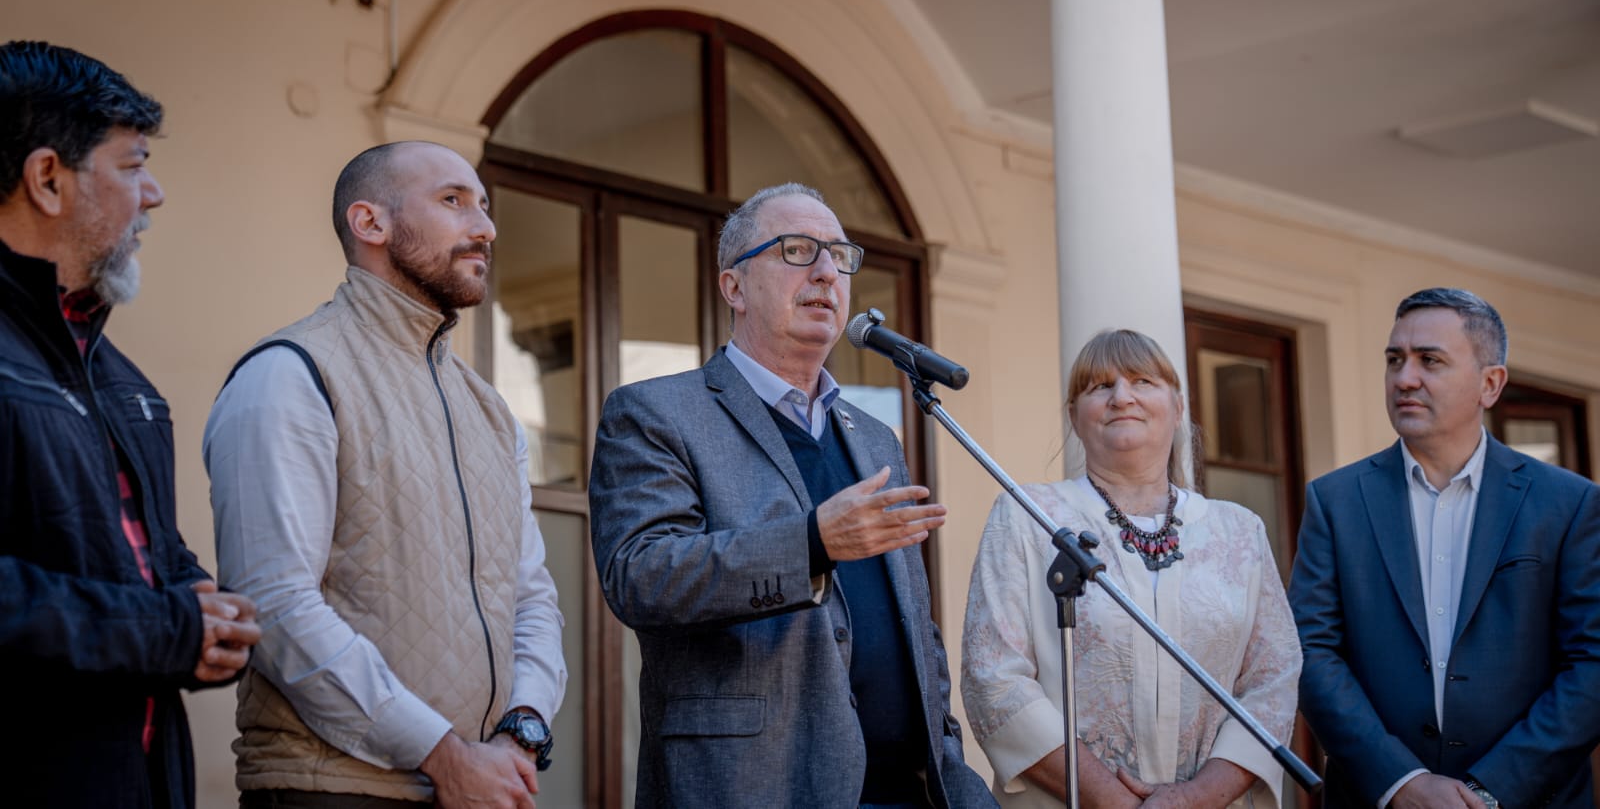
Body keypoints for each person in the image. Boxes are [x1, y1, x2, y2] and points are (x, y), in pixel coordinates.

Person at [588, 183, 995, 809]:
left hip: (912, 791)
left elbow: (914, 623)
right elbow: (640, 575)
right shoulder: (656, 413)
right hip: (750, 786)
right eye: (798, 251)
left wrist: (953, 770)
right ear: (734, 287)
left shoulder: (876, 436)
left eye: (838, 254)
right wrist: (811, 544)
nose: (827, 272)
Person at [205, 141, 567, 808]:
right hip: (333, 790)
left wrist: (522, 729)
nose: (484, 227)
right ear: (370, 224)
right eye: (453, 201)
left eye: (484, 207)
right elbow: (277, 607)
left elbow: (531, 597)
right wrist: (444, 754)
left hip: (484, 787)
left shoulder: (490, 411)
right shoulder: (289, 374)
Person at [0, 40, 261, 808]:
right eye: (132, 164)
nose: (154, 195)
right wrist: (164, 628)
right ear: (48, 178)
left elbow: (148, 556)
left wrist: (206, 611)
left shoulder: (126, 383)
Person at [962, 329, 1300, 809]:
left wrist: (1195, 799)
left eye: (1142, 381)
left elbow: (1274, 678)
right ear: (1074, 417)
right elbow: (993, 679)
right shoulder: (1027, 516)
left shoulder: (1239, 530)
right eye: (1100, 387)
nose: (1122, 397)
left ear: (1178, 407)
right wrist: (1121, 804)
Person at [1290, 288, 1600, 809]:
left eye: (1430, 360)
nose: (1405, 378)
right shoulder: (1335, 501)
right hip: (1375, 798)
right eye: (1395, 360)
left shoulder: (1569, 504)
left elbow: (1593, 662)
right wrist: (1399, 781)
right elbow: (1311, 651)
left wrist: (1488, 790)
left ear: (1490, 384)